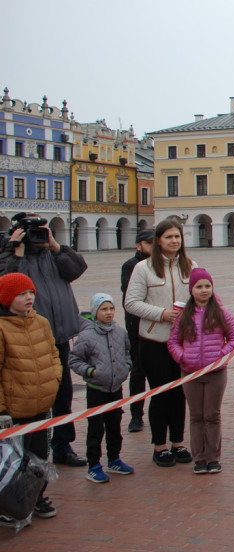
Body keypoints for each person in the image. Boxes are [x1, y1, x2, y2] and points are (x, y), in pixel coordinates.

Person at [0, 212, 89, 467]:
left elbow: (77, 268)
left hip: (57, 337)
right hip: (24, 340)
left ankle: (63, 445)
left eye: (42, 230)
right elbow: (5, 288)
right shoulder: (11, 257)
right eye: (33, 232)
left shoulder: (53, 254)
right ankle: (24, 456)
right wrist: (14, 251)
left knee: (63, 394)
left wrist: (55, 246)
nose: (38, 236)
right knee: (29, 398)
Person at [124, 218, 195, 467]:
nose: (174, 241)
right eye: (169, 237)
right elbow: (131, 303)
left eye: (177, 236)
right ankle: (159, 446)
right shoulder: (144, 268)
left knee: (180, 393)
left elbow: (201, 296)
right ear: (158, 241)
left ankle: (178, 442)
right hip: (154, 340)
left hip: (183, 340)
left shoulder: (190, 266)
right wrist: (161, 314)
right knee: (160, 393)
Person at [167, 268, 234, 475]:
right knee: (196, 416)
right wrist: (182, 357)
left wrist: (220, 354)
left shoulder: (221, 312)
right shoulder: (184, 315)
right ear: (191, 290)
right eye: (199, 286)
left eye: (207, 286)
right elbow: (173, 341)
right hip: (190, 374)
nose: (203, 290)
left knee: (212, 415)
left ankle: (213, 457)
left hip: (215, 373)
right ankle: (199, 458)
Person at [0, 272, 62, 521]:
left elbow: (54, 353)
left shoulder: (41, 322)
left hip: (42, 405)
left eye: (30, 293)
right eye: (21, 294)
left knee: (39, 456)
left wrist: (55, 379)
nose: (28, 298)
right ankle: (10, 503)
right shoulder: (2, 328)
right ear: (6, 298)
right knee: (14, 460)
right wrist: (2, 409)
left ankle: (36, 496)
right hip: (14, 410)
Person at [68, 293, 135, 484]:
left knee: (115, 424)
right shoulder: (87, 336)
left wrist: (126, 367)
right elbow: (74, 359)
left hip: (116, 387)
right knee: (96, 427)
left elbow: (127, 352)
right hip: (96, 388)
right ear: (95, 311)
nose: (108, 313)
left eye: (111, 309)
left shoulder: (120, 332)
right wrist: (90, 371)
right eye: (104, 309)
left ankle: (114, 458)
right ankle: (94, 465)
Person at [120, 228, 154, 433]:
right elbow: (131, 295)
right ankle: (136, 415)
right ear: (139, 245)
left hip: (159, 326)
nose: (154, 246)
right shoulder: (130, 266)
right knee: (138, 372)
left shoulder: (162, 264)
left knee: (161, 372)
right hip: (137, 327)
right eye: (149, 243)